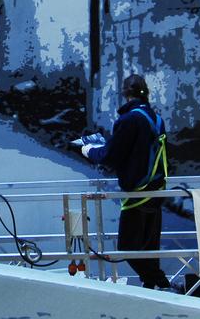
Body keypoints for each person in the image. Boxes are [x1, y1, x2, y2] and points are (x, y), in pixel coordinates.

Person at [80, 74, 171, 290]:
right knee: (149, 248)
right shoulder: (156, 119)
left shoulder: (128, 120)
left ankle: (162, 284)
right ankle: (155, 287)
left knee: (128, 247)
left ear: (124, 94)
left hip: (137, 192)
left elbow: (111, 157)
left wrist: (89, 150)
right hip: (154, 190)